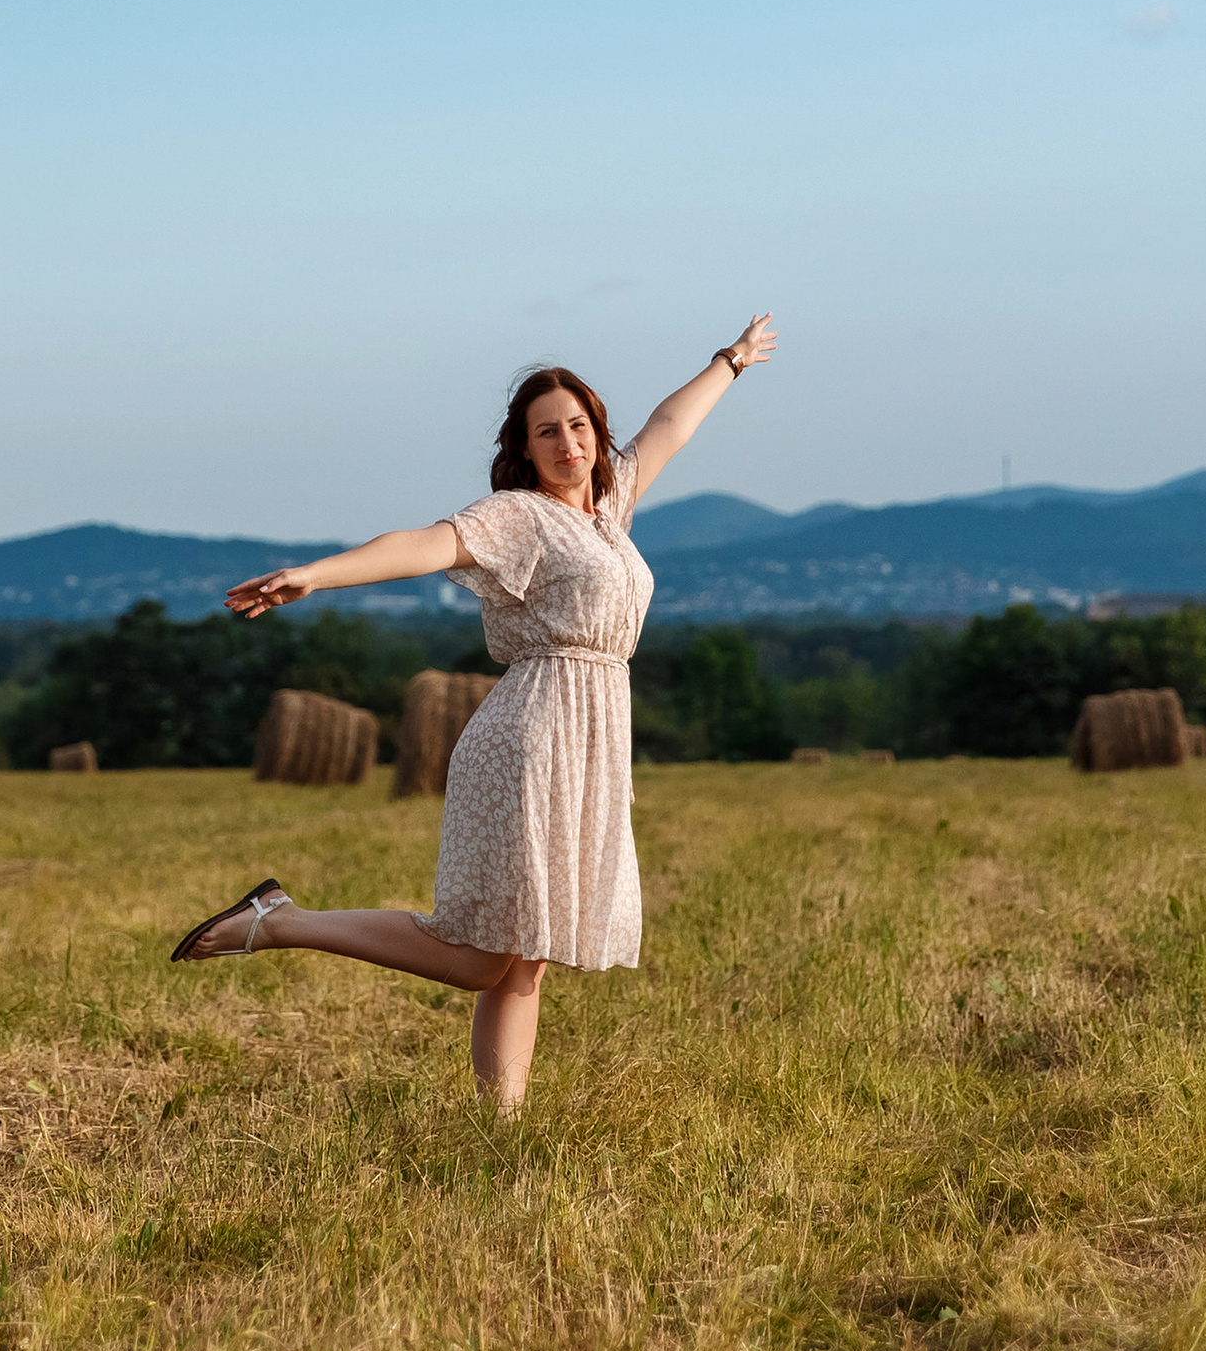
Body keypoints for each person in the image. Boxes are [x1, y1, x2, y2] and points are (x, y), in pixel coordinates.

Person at [171, 317, 778, 1108]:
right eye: (548, 433)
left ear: (597, 433)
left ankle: (503, 1129)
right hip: (533, 736)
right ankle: (281, 921)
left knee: (524, 957)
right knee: (476, 953)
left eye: (579, 427)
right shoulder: (520, 516)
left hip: (591, 738)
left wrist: (730, 361)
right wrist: (318, 575)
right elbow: (424, 544)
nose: (569, 444)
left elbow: (670, 426)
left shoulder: (609, 506)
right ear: (524, 448)